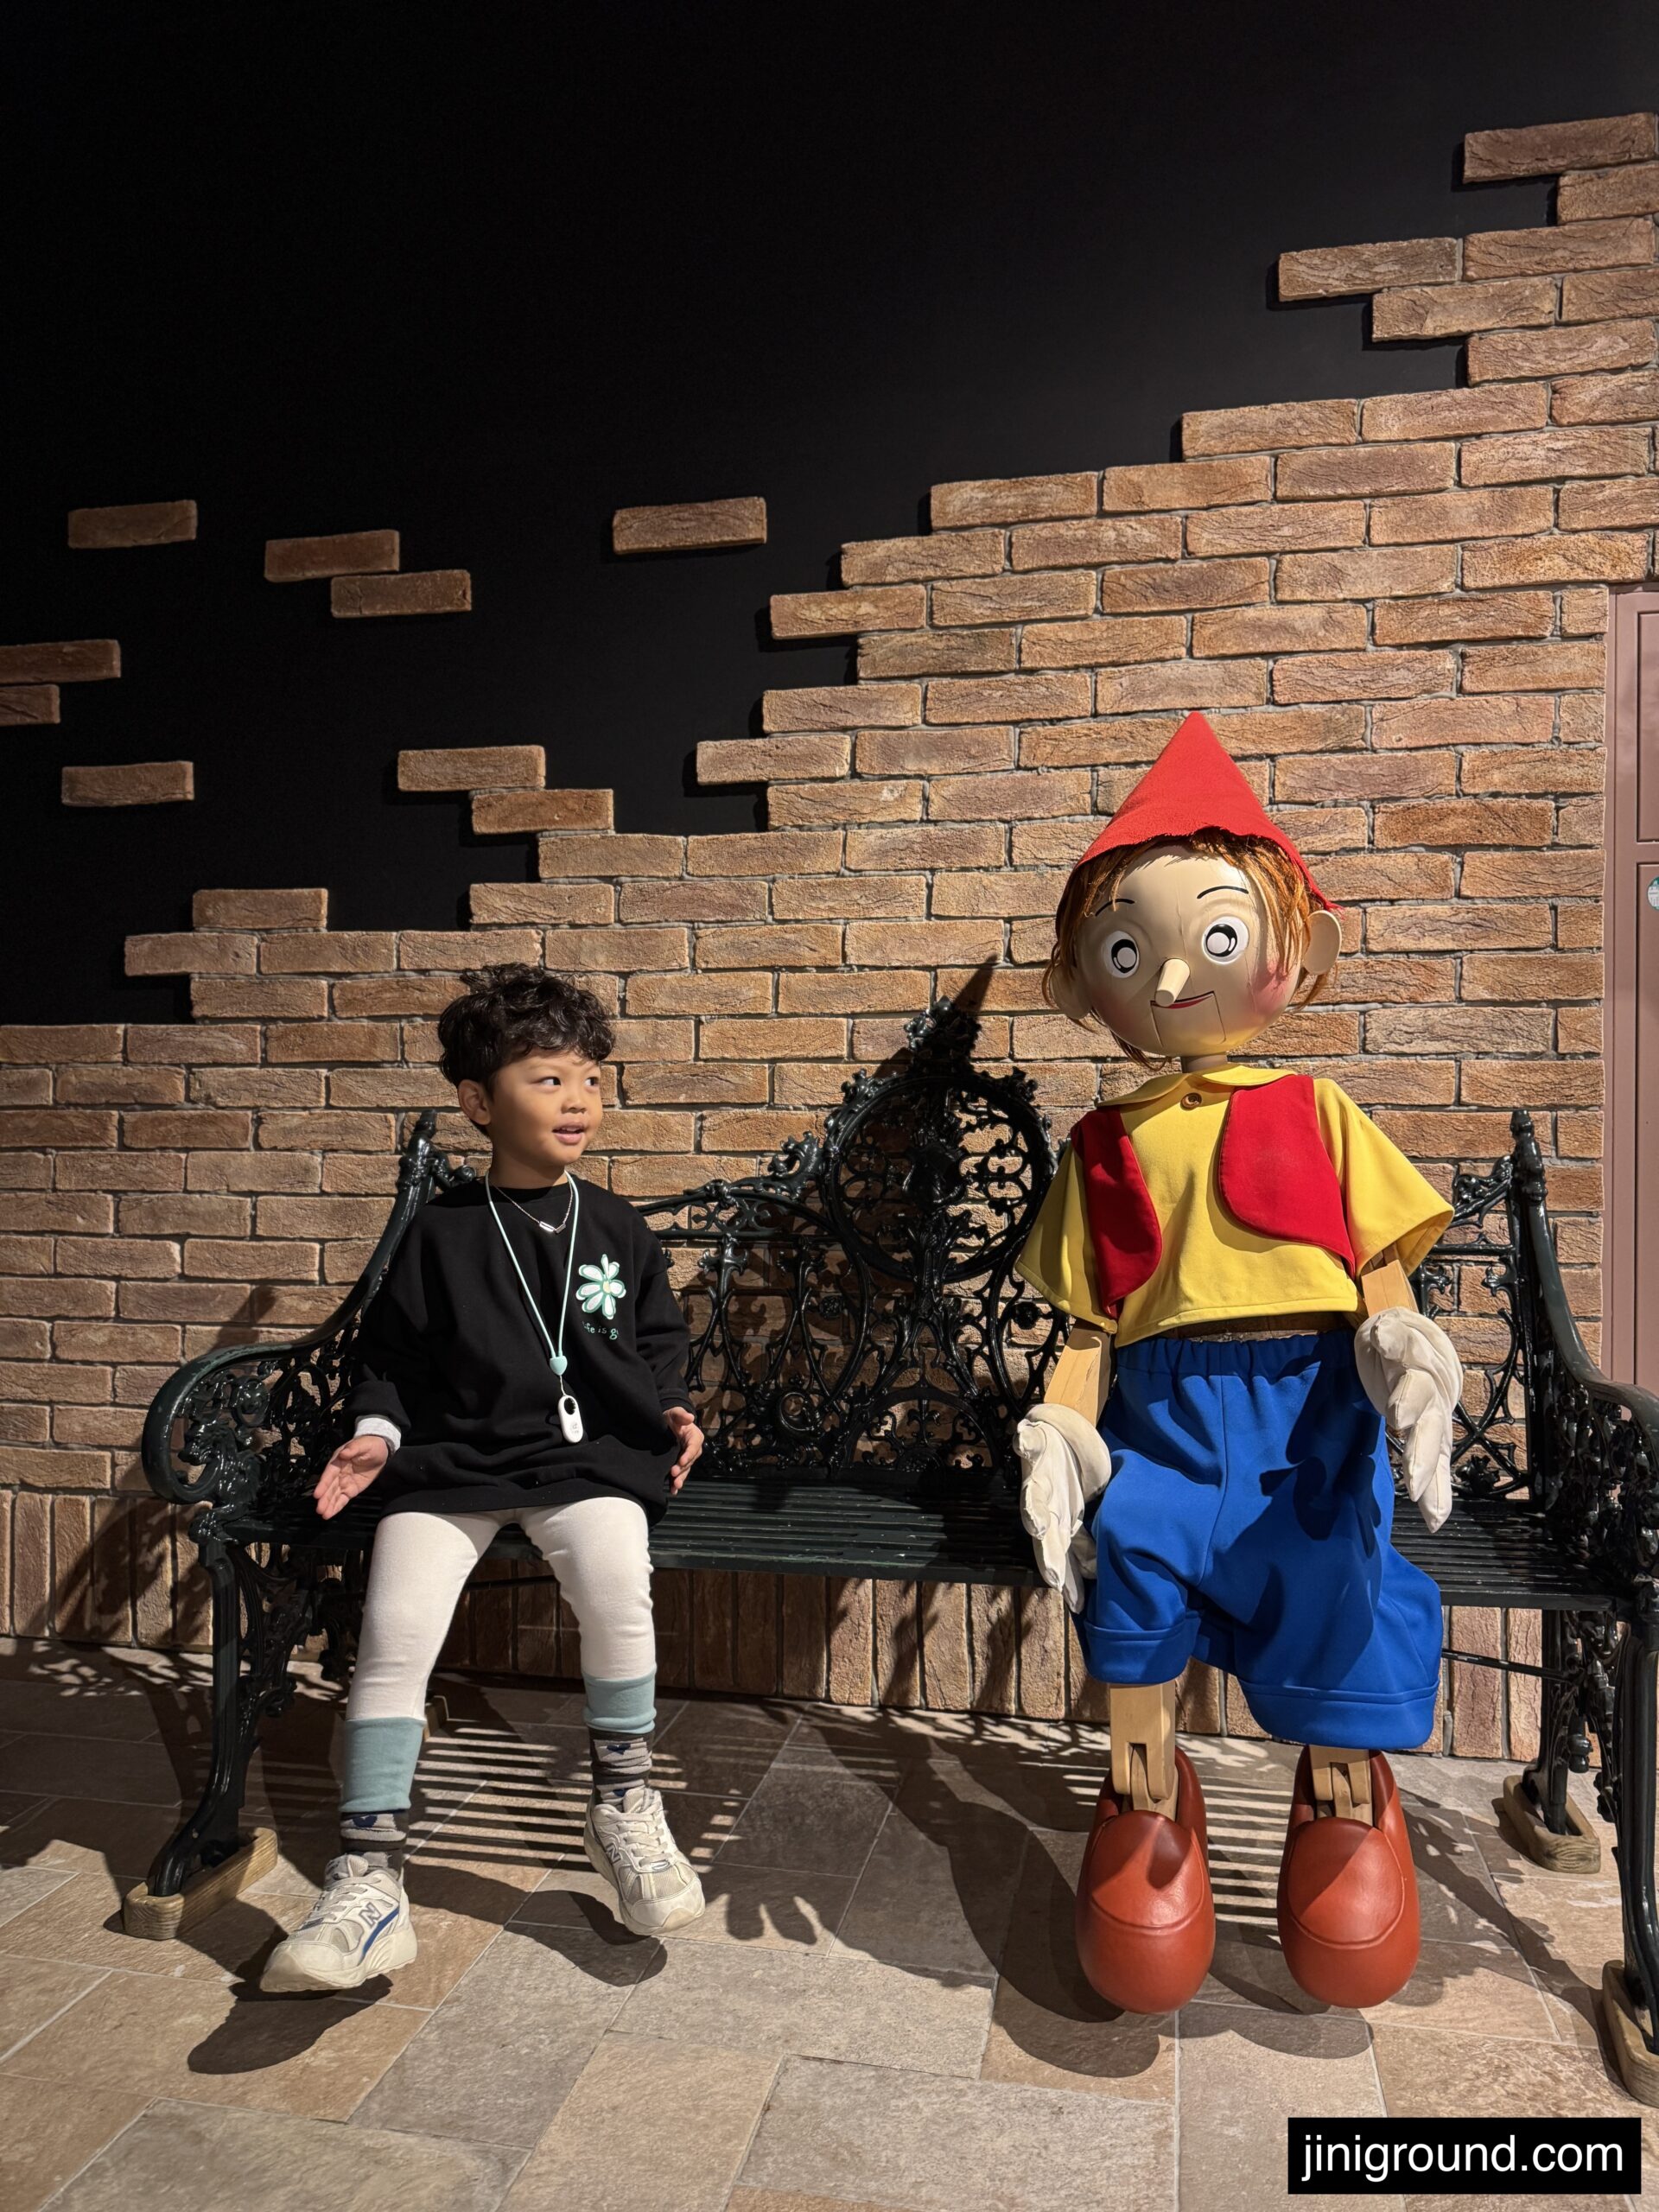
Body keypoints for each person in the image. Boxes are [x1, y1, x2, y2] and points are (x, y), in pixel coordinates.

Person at [1014, 712, 1462, 2014]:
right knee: (1136, 1556)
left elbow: (1378, 1270)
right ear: (1086, 981)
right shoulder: (1104, 1143)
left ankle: (1344, 1786)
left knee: (1332, 1566)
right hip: (1160, 1418)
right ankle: (1144, 1782)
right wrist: (1060, 1432)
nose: (1165, 976)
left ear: (1292, 950)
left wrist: (1404, 1348)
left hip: (1308, 1412)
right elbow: (1089, 1326)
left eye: (1214, 937)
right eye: (1125, 950)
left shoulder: (1318, 1110)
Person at [263, 963, 707, 1993]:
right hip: (450, 1463)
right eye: (548, 1079)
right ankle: (370, 1878)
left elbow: (658, 1340)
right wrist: (376, 1433)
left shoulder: (617, 1228)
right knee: (394, 1626)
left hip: (586, 1462)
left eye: (590, 1078)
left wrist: (675, 1410)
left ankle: (624, 1804)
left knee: (617, 1583)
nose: (578, 1099)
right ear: (478, 1102)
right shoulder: (441, 1233)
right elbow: (392, 1360)